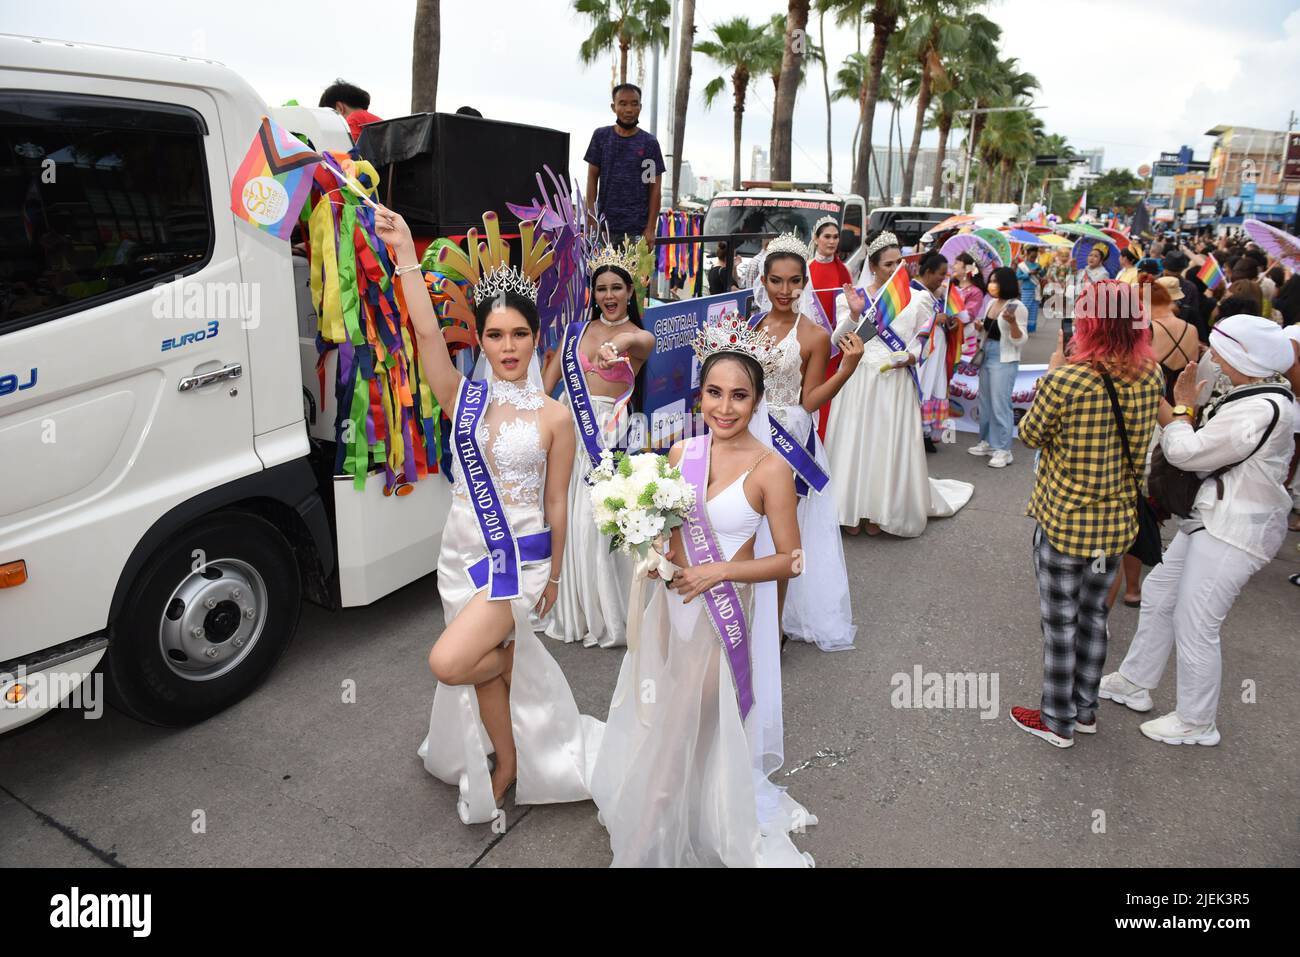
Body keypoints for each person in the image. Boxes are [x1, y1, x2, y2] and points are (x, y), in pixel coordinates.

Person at [375, 206, 602, 823]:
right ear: (480, 339)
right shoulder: (462, 397)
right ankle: (507, 761)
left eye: (519, 335)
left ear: (537, 339)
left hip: (516, 563)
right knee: (478, 670)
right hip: (459, 554)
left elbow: (557, 501)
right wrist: (402, 253)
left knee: (450, 661)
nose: (508, 347)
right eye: (495, 336)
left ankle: (511, 663)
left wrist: (555, 575)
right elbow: (424, 335)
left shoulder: (555, 417)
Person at [589, 325, 814, 866]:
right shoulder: (683, 450)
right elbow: (671, 532)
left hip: (722, 616)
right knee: (671, 716)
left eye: (739, 395)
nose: (725, 406)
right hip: (673, 606)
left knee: (677, 732)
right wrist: (652, 552)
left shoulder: (772, 469)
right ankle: (694, 812)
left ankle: (646, 847)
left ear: (757, 400)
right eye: (715, 393)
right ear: (700, 396)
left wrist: (716, 573)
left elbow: (792, 559)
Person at [1100, 315, 1296, 745]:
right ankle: (1135, 681)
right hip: (1211, 519)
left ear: (1243, 356)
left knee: (1196, 622)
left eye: (1220, 351)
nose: (1213, 358)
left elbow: (1189, 453)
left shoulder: (1261, 407)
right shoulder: (1256, 393)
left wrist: (1183, 407)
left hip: (1233, 530)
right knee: (1159, 594)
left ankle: (1196, 720)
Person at [1011, 280, 1162, 748]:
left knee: (1060, 623)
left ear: (1089, 323)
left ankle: (1057, 720)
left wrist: (1050, 373)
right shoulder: (1151, 376)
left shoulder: (1067, 379)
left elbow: (1029, 435)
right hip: (1116, 524)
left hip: (1065, 522)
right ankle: (1085, 710)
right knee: (1095, 615)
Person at [751, 234, 864, 652]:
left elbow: (810, 399)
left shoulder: (815, 335)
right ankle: (745, 614)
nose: (785, 291)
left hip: (789, 438)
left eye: (794, 281)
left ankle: (773, 625)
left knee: (782, 534)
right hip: (748, 435)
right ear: (763, 280)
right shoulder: (749, 326)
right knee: (747, 526)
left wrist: (846, 370)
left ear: (804, 282)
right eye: (776, 281)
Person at [540, 245, 655, 648]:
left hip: (606, 430)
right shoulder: (576, 331)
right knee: (564, 517)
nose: (609, 295)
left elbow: (638, 340)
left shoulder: (640, 337)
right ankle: (570, 605)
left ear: (629, 293)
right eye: (602, 288)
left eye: (617, 288)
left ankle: (607, 611)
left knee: (597, 520)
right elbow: (547, 384)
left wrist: (619, 347)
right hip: (568, 424)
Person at [825, 232, 974, 537]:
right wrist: (854, 313)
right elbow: (837, 340)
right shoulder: (851, 298)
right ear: (874, 266)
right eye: (887, 264)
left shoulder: (919, 299)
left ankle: (881, 510)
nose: (894, 270)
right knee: (854, 441)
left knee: (884, 443)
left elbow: (926, 340)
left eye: (899, 263)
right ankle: (850, 510)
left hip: (894, 380)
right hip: (857, 379)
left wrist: (912, 357)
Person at [584, 84, 665, 247]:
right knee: (600, 273)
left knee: (637, 274)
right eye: (623, 103)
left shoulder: (649, 143)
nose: (629, 109)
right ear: (613, 107)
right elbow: (592, 179)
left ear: (640, 107)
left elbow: (654, 189)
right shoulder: (601, 137)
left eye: (634, 104)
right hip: (604, 230)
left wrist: (650, 228)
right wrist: (591, 220)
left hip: (638, 233)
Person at [967, 267, 1029, 469]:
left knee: (1000, 402)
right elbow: (989, 331)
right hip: (987, 354)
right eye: (990, 280)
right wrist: (980, 328)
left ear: (1006, 283)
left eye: (996, 281)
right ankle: (986, 441)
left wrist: (1012, 324)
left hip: (1005, 358)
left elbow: (1020, 340)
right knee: (985, 400)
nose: (991, 284)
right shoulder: (992, 303)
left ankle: (1003, 449)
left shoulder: (1015, 306)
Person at [808, 217, 854, 441]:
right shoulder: (806, 270)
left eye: (836, 237)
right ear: (816, 239)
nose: (832, 241)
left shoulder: (843, 272)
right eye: (827, 236)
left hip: (833, 348)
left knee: (828, 401)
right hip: (809, 344)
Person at [915, 252, 960, 450]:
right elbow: (907, 323)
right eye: (941, 274)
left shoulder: (936, 294)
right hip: (922, 352)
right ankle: (915, 432)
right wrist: (934, 320)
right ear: (929, 272)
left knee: (934, 386)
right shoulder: (913, 291)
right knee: (922, 387)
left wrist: (947, 323)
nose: (944, 278)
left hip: (937, 350)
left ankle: (926, 432)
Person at [952, 251, 987, 358]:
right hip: (949, 336)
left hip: (965, 339)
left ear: (967, 269)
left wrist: (951, 302)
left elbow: (968, 317)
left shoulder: (975, 292)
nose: (953, 266)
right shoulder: (950, 286)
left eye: (957, 263)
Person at [1016, 245, 1043, 332]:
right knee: (1024, 308)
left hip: (1036, 290)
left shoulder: (1038, 265)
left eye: (1035, 257)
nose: (1033, 259)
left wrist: (1043, 271)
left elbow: (1041, 276)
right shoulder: (1021, 266)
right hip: (1026, 289)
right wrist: (1029, 273)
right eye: (1032, 257)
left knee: (1034, 309)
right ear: (1027, 255)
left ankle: (1030, 328)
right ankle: (1022, 326)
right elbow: (1018, 276)